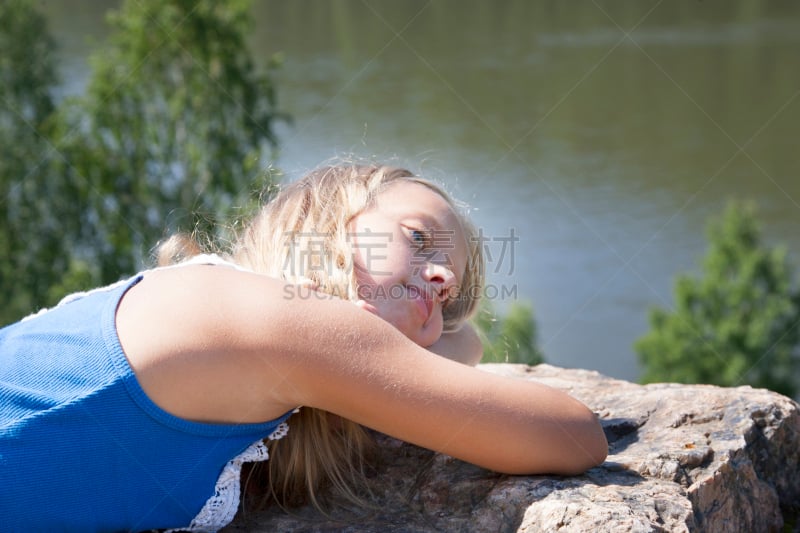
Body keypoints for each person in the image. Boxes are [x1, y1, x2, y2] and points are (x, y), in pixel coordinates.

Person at [0, 163, 607, 531]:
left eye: (448, 283)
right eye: (419, 239)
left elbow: (462, 344)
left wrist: (429, 329)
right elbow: (574, 436)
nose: (442, 281)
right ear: (326, 227)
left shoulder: (243, 314)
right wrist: (423, 340)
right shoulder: (288, 319)